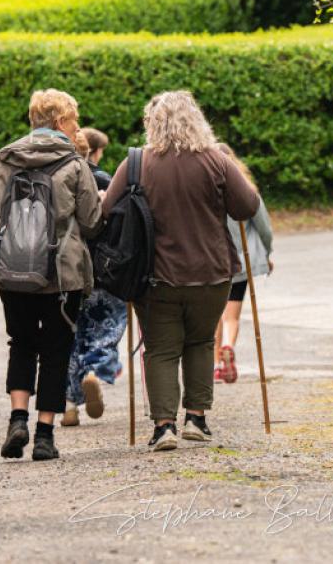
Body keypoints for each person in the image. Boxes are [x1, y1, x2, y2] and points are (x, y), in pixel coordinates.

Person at [102, 91, 260, 451]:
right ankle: (197, 418)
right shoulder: (216, 160)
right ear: (196, 120)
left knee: (159, 349)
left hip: (155, 276)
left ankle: (163, 427)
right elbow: (247, 205)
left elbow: (106, 211)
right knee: (201, 341)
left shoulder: (137, 163)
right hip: (212, 273)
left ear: (152, 123)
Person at [0, 89, 103, 461]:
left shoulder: (4, 160)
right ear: (61, 122)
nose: (77, 125)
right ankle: (45, 435)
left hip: (13, 270)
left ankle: (18, 419)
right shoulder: (74, 164)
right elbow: (93, 222)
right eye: (74, 119)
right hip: (63, 275)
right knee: (57, 349)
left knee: (21, 342)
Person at [62, 127, 128, 427]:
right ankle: (95, 370)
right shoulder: (104, 180)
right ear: (92, 152)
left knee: (67, 337)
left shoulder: (56, 181)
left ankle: (67, 405)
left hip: (65, 273)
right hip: (102, 273)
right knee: (106, 328)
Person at [214, 144, 274, 384]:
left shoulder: (207, 193)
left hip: (214, 262)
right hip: (240, 263)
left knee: (214, 315)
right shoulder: (247, 192)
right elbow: (265, 229)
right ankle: (228, 345)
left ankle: (217, 363)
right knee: (232, 315)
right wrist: (266, 255)